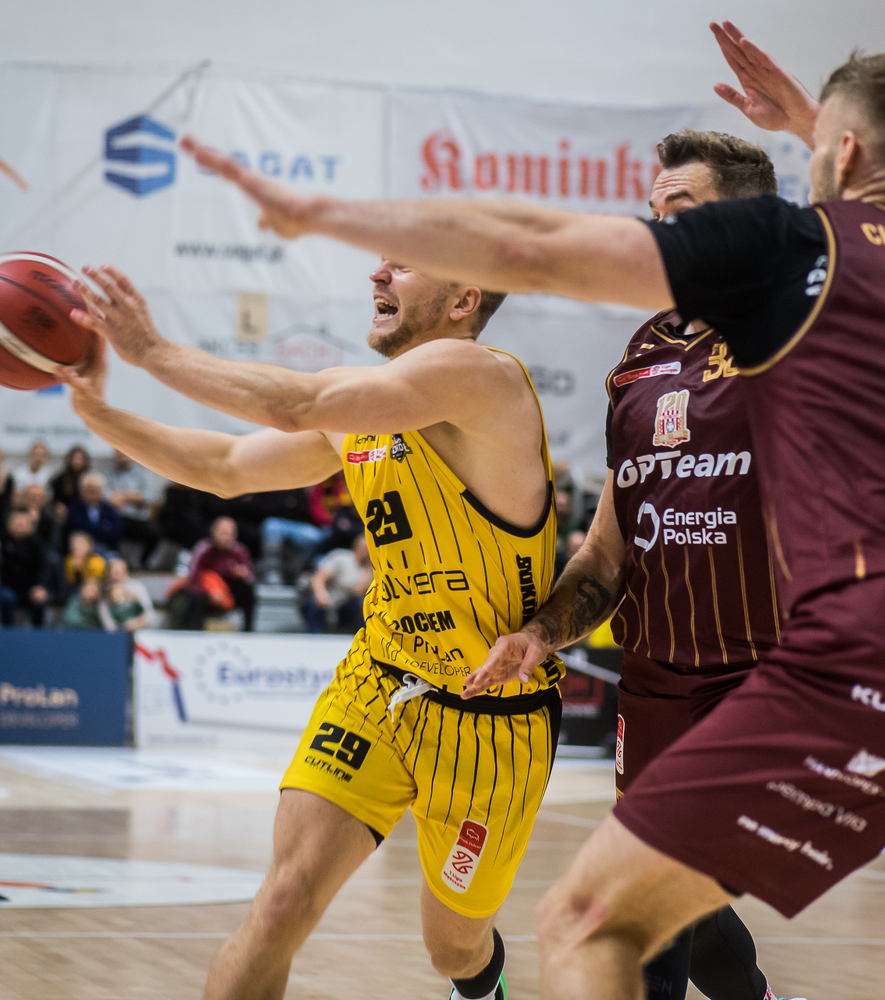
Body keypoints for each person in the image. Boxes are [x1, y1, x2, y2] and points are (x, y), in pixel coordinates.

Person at [185, 20, 885, 999]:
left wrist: (318, 212)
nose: (665, 222)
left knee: (590, 923)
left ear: (837, 151)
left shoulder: (785, 255)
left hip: (884, 634)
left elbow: (532, 246)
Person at [54, 245, 560, 1000]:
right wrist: (101, 415)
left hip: (491, 715)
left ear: (464, 301)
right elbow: (226, 466)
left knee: (452, 947)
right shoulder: (360, 415)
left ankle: (478, 983)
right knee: (283, 900)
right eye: (381, 262)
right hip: (381, 682)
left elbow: (295, 402)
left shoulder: (483, 378)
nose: (377, 274)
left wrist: (150, 350)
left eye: (403, 264)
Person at [470, 128, 780, 1000]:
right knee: (686, 904)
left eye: (680, 210)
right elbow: (606, 553)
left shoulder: (800, 334)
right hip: (655, 682)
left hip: (768, 678)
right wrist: (542, 633)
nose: (655, 230)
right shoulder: (640, 358)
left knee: (640, 889)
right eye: (652, 213)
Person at [181, 516, 257, 632]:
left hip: (228, 596)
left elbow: (250, 577)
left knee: (248, 591)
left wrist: (242, 576)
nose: (227, 538)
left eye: (231, 534)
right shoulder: (203, 549)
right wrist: (210, 593)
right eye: (223, 533)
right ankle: (193, 633)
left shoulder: (240, 551)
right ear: (213, 532)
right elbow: (192, 580)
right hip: (207, 594)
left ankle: (248, 631)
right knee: (195, 599)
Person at [0, 508, 58, 628]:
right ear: (9, 524)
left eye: (23, 522)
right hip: (9, 587)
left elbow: (44, 568)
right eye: (16, 522)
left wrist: (41, 586)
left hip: (31, 588)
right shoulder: (1, 541)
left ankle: (38, 633)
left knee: (38, 598)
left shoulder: (37, 543)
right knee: (6, 597)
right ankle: (6, 632)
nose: (19, 525)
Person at [303, 533, 372, 634]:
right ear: (357, 546)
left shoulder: (371, 568)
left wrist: (368, 568)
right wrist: (321, 593)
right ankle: (313, 635)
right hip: (329, 598)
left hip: (347, 603)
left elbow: (358, 591)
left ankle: (362, 636)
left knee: (361, 604)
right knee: (316, 602)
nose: (365, 551)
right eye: (364, 548)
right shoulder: (341, 558)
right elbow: (319, 578)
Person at [109, 450, 163, 567]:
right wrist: (136, 498)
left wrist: (124, 496)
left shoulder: (143, 472)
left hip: (139, 518)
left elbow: (151, 496)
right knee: (108, 530)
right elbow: (109, 499)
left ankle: (143, 563)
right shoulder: (108, 474)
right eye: (118, 452)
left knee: (155, 533)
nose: (122, 455)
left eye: (124, 452)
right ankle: (115, 563)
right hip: (117, 518)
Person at [65, 471, 125, 554]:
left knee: (115, 560)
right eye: (89, 490)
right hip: (81, 551)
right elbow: (75, 530)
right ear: (81, 491)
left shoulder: (109, 510)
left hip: (106, 550)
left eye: (95, 490)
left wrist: (93, 532)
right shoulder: (73, 509)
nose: (92, 494)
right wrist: (101, 530)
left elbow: (116, 534)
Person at [102, 557, 155, 632]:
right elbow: (107, 620)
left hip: (141, 630)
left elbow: (149, 613)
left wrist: (137, 623)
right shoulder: (105, 591)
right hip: (118, 633)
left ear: (125, 572)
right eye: (113, 572)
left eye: (118, 572)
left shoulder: (137, 587)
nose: (115, 576)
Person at [49, 444, 92, 510]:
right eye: (75, 458)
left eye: (80, 459)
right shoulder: (60, 479)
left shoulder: (90, 478)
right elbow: (55, 499)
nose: (77, 462)